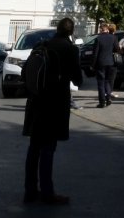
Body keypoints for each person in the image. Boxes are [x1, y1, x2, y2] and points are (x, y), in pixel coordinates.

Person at [22, 16, 82, 205]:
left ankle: (30, 191)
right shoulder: (70, 49)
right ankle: (48, 193)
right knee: (48, 149)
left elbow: (27, 73)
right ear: (71, 32)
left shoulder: (42, 45)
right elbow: (78, 79)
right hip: (54, 104)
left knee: (34, 149)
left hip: (35, 102)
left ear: (57, 29)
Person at [92, 23, 117, 108]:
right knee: (107, 81)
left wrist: (93, 64)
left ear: (101, 30)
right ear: (107, 29)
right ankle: (108, 97)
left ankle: (102, 102)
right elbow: (116, 49)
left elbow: (95, 54)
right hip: (110, 62)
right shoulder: (113, 38)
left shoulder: (98, 39)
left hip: (100, 63)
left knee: (100, 83)